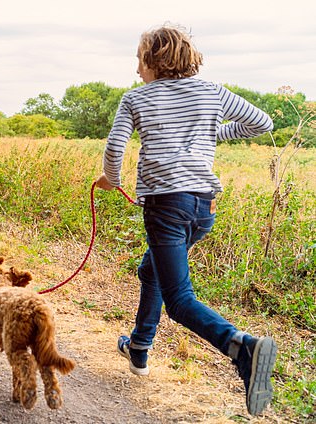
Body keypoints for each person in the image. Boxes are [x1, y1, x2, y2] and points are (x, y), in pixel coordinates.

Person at [95, 24, 277, 416]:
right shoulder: (210, 91)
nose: (135, 66)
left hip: (166, 206)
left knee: (178, 300)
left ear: (153, 60)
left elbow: (115, 146)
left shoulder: (136, 98)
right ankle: (140, 348)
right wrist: (212, 132)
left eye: (139, 57)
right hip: (203, 207)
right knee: (152, 271)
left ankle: (239, 345)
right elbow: (262, 122)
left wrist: (112, 180)